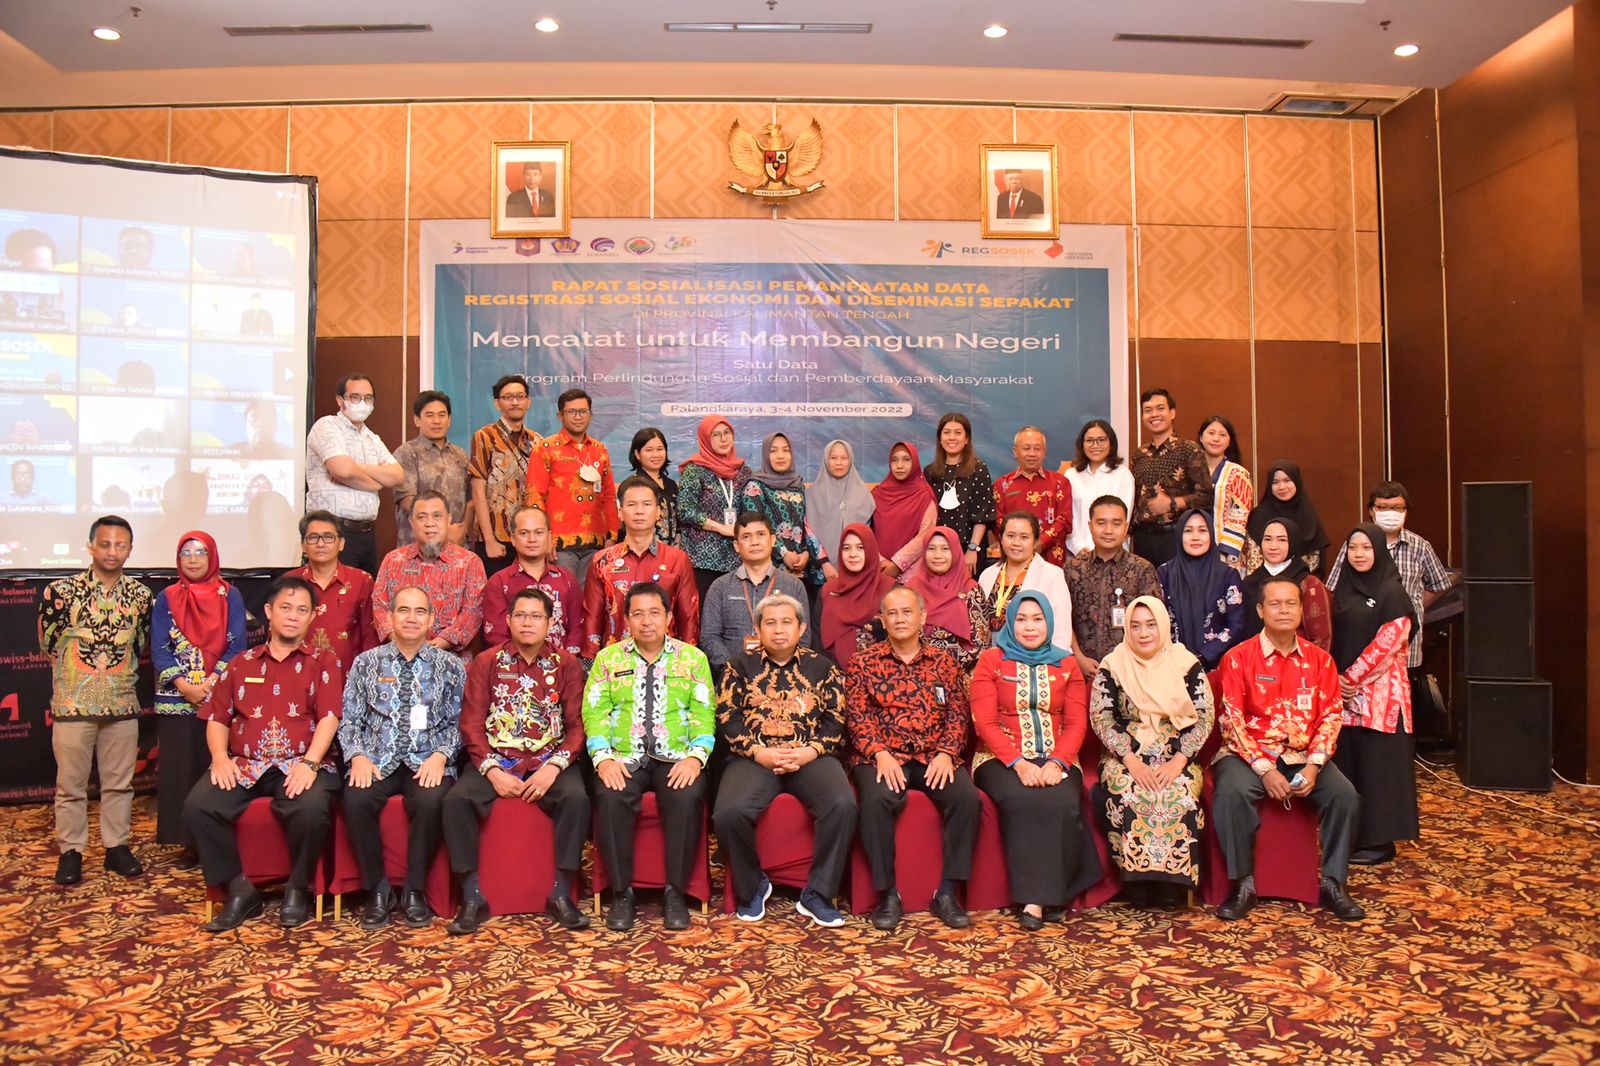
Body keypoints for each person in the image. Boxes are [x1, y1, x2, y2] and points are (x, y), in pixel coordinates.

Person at [184, 576, 343, 932]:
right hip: (246, 764)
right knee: (199, 806)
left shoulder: (325, 661)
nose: (292, 617)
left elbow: (330, 717)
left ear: (311, 617)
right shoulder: (241, 663)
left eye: (302, 610)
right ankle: (240, 890)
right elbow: (216, 718)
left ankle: (298, 889)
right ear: (269, 612)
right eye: (285, 608)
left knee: (312, 808)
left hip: (303, 762)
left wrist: (310, 763)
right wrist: (220, 759)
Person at [1211, 576, 1364, 922]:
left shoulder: (1320, 661)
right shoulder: (1237, 658)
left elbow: (1330, 716)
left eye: (1291, 604)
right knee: (1231, 793)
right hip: (1246, 755)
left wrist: (1313, 765)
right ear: (1260, 610)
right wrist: (1264, 769)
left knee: (1345, 796)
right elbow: (1232, 720)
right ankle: (1243, 884)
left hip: (1303, 755)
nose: (1284, 610)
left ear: (1300, 611)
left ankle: (1334, 883)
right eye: (1275, 604)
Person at [444, 587, 591, 935]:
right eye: (521, 616)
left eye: (536, 616)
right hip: (497, 759)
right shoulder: (487, 662)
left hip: (549, 760)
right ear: (507, 620)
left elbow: (577, 727)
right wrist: (492, 770)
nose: (528, 623)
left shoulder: (566, 664)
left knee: (578, 799)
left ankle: (560, 893)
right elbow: (472, 724)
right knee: (455, 801)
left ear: (550, 623)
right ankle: (472, 895)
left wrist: (554, 766)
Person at [713, 592, 856, 927]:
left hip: (811, 755)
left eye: (787, 622)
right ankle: (752, 886)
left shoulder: (823, 667)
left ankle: (818, 893)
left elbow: (836, 719)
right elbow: (727, 718)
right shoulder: (739, 666)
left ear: (802, 628)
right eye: (770, 623)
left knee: (842, 804)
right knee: (729, 812)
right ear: (758, 629)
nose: (779, 630)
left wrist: (809, 751)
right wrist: (759, 752)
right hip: (754, 757)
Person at [583, 582, 715, 932]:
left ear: (669, 617)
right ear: (625, 619)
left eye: (654, 613)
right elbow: (594, 713)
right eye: (637, 614)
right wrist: (603, 759)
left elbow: (705, 714)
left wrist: (696, 758)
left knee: (688, 797)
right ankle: (622, 893)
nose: (646, 622)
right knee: (609, 798)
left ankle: (675, 892)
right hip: (622, 756)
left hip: (677, 756)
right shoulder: (607, 660)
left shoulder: (693, 659)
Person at [846, 586, 979, 931]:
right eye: (892, 613)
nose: (900, 619)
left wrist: (948, 753)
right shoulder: (863, 663)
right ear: (882, 620)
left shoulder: (944, 662)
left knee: (966, 799)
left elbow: (958, 715)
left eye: (907, 612)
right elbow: (857, 717)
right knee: (875, 801)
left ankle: (948, 892)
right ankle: (888, 893)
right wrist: (879, 754)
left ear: (922, 617)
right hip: (883, 756)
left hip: (934, 756)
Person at [970, 592, 1102, 929]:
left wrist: (1056, 763)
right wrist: (1020, 764)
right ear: (1010, 622)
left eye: (1038, 619)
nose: (1030, 627)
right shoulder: (991, 660)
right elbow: (984, 723)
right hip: (998, 758)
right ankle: (1039, 899)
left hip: (1057, 756)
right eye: (1022, 619)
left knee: (1062, 800)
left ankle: (1045, 897)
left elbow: (1076, 723)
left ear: (1049, 623)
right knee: (1023, 799)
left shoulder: (1067, 663)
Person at [339, 587, 465, 929]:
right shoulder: (365, 663)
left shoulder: (451, 666)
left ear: (431, 620)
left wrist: (441, 755)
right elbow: (350, 719)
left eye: (420, 611)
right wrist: (358, 757)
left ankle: (415, 889)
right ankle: (377, 889)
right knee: (355, 799)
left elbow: (461, 721)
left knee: (431, 801)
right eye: (404, 610)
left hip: (427, 759)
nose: (411, 618)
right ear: (390, 616)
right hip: (377, 758)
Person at [40, 516, 152, 886]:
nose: (112, 551)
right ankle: (71, 851)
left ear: (130, 550)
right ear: (91, 546)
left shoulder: (140, 596)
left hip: (121, 703)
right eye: (105, 544)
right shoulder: (60, 591)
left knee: (119, 784)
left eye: (120, 545)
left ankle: (116, 848)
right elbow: (48, 644)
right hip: (73, 704)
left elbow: (140, 645)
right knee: (70, 785)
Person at [1088, 596, 1214, 908]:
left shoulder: (1186, 664)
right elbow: (1101, 718)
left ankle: (1172, 884)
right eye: (1135, 626)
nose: (1144, 633)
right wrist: (1130, 760)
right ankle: (1138, 880)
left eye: (1151, 625)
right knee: (1130, 790)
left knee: (1178, 791)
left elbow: (1205, 716)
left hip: (1176, 751)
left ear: (1164, 625)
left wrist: (1179, 761)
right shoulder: (1113, 665)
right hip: (1125, 753)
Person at [152, 531, 247, 870]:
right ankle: (187, 843)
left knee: (215, 767)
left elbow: (237, 644)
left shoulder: (230, 595)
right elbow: (160, 648)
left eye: (200, 552)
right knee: (180, 768)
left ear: (212, 557)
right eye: (185, 552)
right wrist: (183, 684)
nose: (192, 558)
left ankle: (216, 838)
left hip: (219, 693)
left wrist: (210, 683)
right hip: (176, 697)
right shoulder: (166, 597)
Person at [1329, 525, 1420, 867]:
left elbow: (1389, 643)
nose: (1360, 554)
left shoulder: (1392, 592)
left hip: (1381, 698)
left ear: (1379, 550)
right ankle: (1355, 838)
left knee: (1381, 769)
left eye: (1367, 547)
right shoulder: (1342, 590)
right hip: (1345, 699)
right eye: (1353, 548)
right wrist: (1334, 680)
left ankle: (1381, 842)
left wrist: (1348, 679)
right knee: (1353, 767)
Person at [1325, 480, 1457, 675]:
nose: (1390, 513)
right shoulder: (1353, 545)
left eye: (1396, 508)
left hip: (1402, 651)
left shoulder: (1420, 546)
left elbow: (1439, 584)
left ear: (1406, 511)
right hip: (1356, 652)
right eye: (1383, 507)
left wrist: (1410, 605)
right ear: (1371, 510)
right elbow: (1333, 589)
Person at [582, 476, 700, 655]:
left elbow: (689, 617)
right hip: (616, 661)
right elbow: (592, 617)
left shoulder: (677, 559)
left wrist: (687, 661)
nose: (639, 511)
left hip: (666, 662)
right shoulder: (602, 561)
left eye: (646, 504)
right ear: (620, 512)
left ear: (658, 511)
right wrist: (591, 663)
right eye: (631, 505)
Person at [305, 373, 405, 575]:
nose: (363, 403)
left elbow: (397, 475)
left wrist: (356, 466)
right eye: (355, 397)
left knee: (364, 597)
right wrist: (376, 482)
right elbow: (342, 470)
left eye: (368, 398)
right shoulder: (327, 426)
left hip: (366, 532)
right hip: (332, 530)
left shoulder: (371, 438)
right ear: (340, 400)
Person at [371, 491, 487, 658]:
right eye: (422, 517)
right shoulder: (393, 560)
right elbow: (379, 606)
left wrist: (439, 643)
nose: (429, 523)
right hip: (399, 655)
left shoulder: (469, 562)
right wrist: (399, 640)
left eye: (437, 516)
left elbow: (474, 612)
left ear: (448, 520)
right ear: (411, 522)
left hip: (451, 660)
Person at [699, 511, 810, 678]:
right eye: (746, 537)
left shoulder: (794, 586)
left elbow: (803, 637)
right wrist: (735, 669)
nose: (754, 542)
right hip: (732, 679)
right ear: (736, 545)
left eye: (761, 534)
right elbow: (709, 637)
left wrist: (777, 671)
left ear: (772, 540)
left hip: (783, 680)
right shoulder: (720, 587)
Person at [526, 388, 617, 583]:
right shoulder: (546, 448)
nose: (578, 417)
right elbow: (534, 495)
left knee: (592, 602)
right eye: (571, 412)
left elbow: (609, 495)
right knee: (562, 598)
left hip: (596, 542)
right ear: (560, 415)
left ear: (591, 415)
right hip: (560, 543)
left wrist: (612, 536)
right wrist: (544, 536)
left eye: (583, 411)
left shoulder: (600, 451)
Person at [1064, 495, 1161, 677]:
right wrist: (1077, 657)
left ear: (1125, 527)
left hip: (1131, 671)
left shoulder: (1142, 569)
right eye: (1101, 523)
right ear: (1090, 526)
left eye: (1116, 524)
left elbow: (1154, 622)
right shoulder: (1073, 570)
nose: (1108, 530)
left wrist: (1130, 661)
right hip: (1081, 670)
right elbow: (1063, 617)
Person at [481, 504, 585, 657]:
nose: (532, 539)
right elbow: (495, 635)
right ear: (513, 539)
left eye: (539, 533)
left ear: (549, 537)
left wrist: (564, 663)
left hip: (561, 668)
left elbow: (577, 627)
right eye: (524, 533)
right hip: (514, 670)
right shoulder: (498, 583)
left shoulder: (567, 580)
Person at [284, 511, 377, 674]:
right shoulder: (290, 581)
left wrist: (366, 676)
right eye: (313, 538)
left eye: (328, 537)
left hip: (348, 678)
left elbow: (370, 636)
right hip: (298, 675)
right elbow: (279, 635)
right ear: (303, 545)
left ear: (341, 543)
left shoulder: (361, 581)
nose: (321, 544)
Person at [1129, 389, 1214, 567]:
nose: (1154, 414)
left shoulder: (1189, 449)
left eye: (1160, 408)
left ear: (1172, 413)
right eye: (1148, 410)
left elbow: (1207, 496)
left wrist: (1172, 503)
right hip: (1142, 538)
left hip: (1174, 537)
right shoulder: (1138, 455)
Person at [676, 415, 754, 598]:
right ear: (705, 439)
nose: (723, 438)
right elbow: (684, 510)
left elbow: (751, 510)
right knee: (706, 617)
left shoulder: (744, 472)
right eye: (716, 435)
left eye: (727, 432)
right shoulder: (694, 470)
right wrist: (720, 528)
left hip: (737, 557)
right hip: (702, 560)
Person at [1158, 509, 1246, 672]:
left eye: (1202, 530)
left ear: (1211, 535)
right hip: (1171, 667)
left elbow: (1237, 625)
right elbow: (1156, 622)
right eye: (1188, 531)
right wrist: (1177, 657)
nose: (1195, 537)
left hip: (1218, 666)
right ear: (1179, 535)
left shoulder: (1228, 575)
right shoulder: (1164, 573)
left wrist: (1204, 656)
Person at [978, 511, 1074, 656]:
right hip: (989, 658)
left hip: (1034, 658)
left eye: (1024, 537)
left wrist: (1056, 663)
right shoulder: (987, 574)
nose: (1016, 543)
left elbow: (1061, 629)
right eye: (1010, 536)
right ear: (1001, 539)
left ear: (1035, 541)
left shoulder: (1052, 575)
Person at [468, 374, 539, 570]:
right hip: (497, 538)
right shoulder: (484, 437)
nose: (515, 402)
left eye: (520, 396)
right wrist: (489, 539)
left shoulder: (537, 441)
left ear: (528, 401)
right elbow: (477, 490)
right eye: (508, 397)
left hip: (529, 538)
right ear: (497, 403)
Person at [898, 527, 992, 674]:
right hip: (913, 675)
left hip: (958, 676)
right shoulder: (910, 590)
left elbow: (981, 644)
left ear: (955, 551)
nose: (937, 555)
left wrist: (946, 667)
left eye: (945, 549)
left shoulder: (970, 590)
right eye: (931, 549)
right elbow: (899, 635)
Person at [744, 431, 828, 589]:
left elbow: (806, 525)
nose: (780, 456)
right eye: (773, 451)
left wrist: (806, 554)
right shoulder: (755, 487)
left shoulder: (797, 486)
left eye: (786, 450)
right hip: (768, 571)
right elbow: (756, 529)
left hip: (800, 572)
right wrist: (783, 553)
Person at [1241, 517, 1332, 650]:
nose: (1273, 546)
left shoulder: (1308, 583)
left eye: (1282, 540)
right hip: (1253, 662)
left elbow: (1321, 639)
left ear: (1293, 542)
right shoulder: (1249, 583)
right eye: (1267, 539)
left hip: (1296, 664)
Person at [394, 390, 471, 547]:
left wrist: (462, 529)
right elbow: (408, 500)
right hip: (418, 545)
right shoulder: (407, 453)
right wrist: (443, 528)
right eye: (429, 415)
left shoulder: (461, 454)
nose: (437, 421)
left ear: (449, 420)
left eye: (442, 415)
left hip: (457, 545)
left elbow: (471, 500)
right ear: (417, 420)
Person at [925, 413, 995, 577]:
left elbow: (982, 515)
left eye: (958, 432)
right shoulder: (930, 472)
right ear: (940, 439)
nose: (952, 438)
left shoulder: (978, 468)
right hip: (938, 549)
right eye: (947, 432)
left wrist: (972, 549)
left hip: (970, 548)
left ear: (966, 439)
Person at [817, 524, 895, 669]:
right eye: (846, 548)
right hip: (834, 678)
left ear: (871, 550)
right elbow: (817, 642)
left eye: (860, 548)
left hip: (882, 679)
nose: (852, 554)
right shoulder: (827, 591)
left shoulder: (891, 591)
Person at [993, 426, 1072, 566]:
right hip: (1014, 559)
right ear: (1015, 451)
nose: (1032, 453)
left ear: (1044, 452)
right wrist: (1021, 544)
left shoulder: (1060, 482)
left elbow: (1064, 520)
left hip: (1051, 560)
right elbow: (998, 522)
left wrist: (1041, 543)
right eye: (1026, 448)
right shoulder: (1002, 485)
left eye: (1037, 448)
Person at [1244, 461, 1330, 575]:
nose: (1281, 487)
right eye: (1275, 482)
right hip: (1263, 585)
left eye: (1287, 480)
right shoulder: (1259, 516)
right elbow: (1253, 560)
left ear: (1297, 482)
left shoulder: (1308, 515)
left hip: (1301, 584)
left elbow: (1315, 561)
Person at [808, 439, 875, 582]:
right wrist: (824, 563)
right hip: (821, 573)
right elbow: (809, 534)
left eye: (844, 458)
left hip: (857, 572)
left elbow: (868, 536)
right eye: (833, 458)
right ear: (826, 460)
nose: (839, 463)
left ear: (851, 460)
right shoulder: (812, 495)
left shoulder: (864, 495)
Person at [870, 441, 936, 577]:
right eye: (895, 460)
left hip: (912, 572)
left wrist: (897, 564)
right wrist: (881, 562)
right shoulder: (877, 494)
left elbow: (925, 534)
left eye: (906, 460)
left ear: (915, 463)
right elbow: (868, 532)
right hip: (879, 569)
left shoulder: (924, 495)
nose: (900, 466)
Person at [1198, 415, 1252, 564]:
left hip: (1224, 551)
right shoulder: (1188, 470)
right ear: (1201, 437)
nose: (1216, 439)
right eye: (1211, 433)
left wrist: (1227, 552)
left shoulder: (1238, 473)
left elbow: (1240, 515)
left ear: (1229, 442)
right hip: (1190, 545)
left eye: (1222, 435)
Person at [627, 427, 678, 544]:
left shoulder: (671, 484)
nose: (656, 455)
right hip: (644, 549)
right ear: (637, 454)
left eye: (660, 449)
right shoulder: (632, 486)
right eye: (649, 450)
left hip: (672, 551)